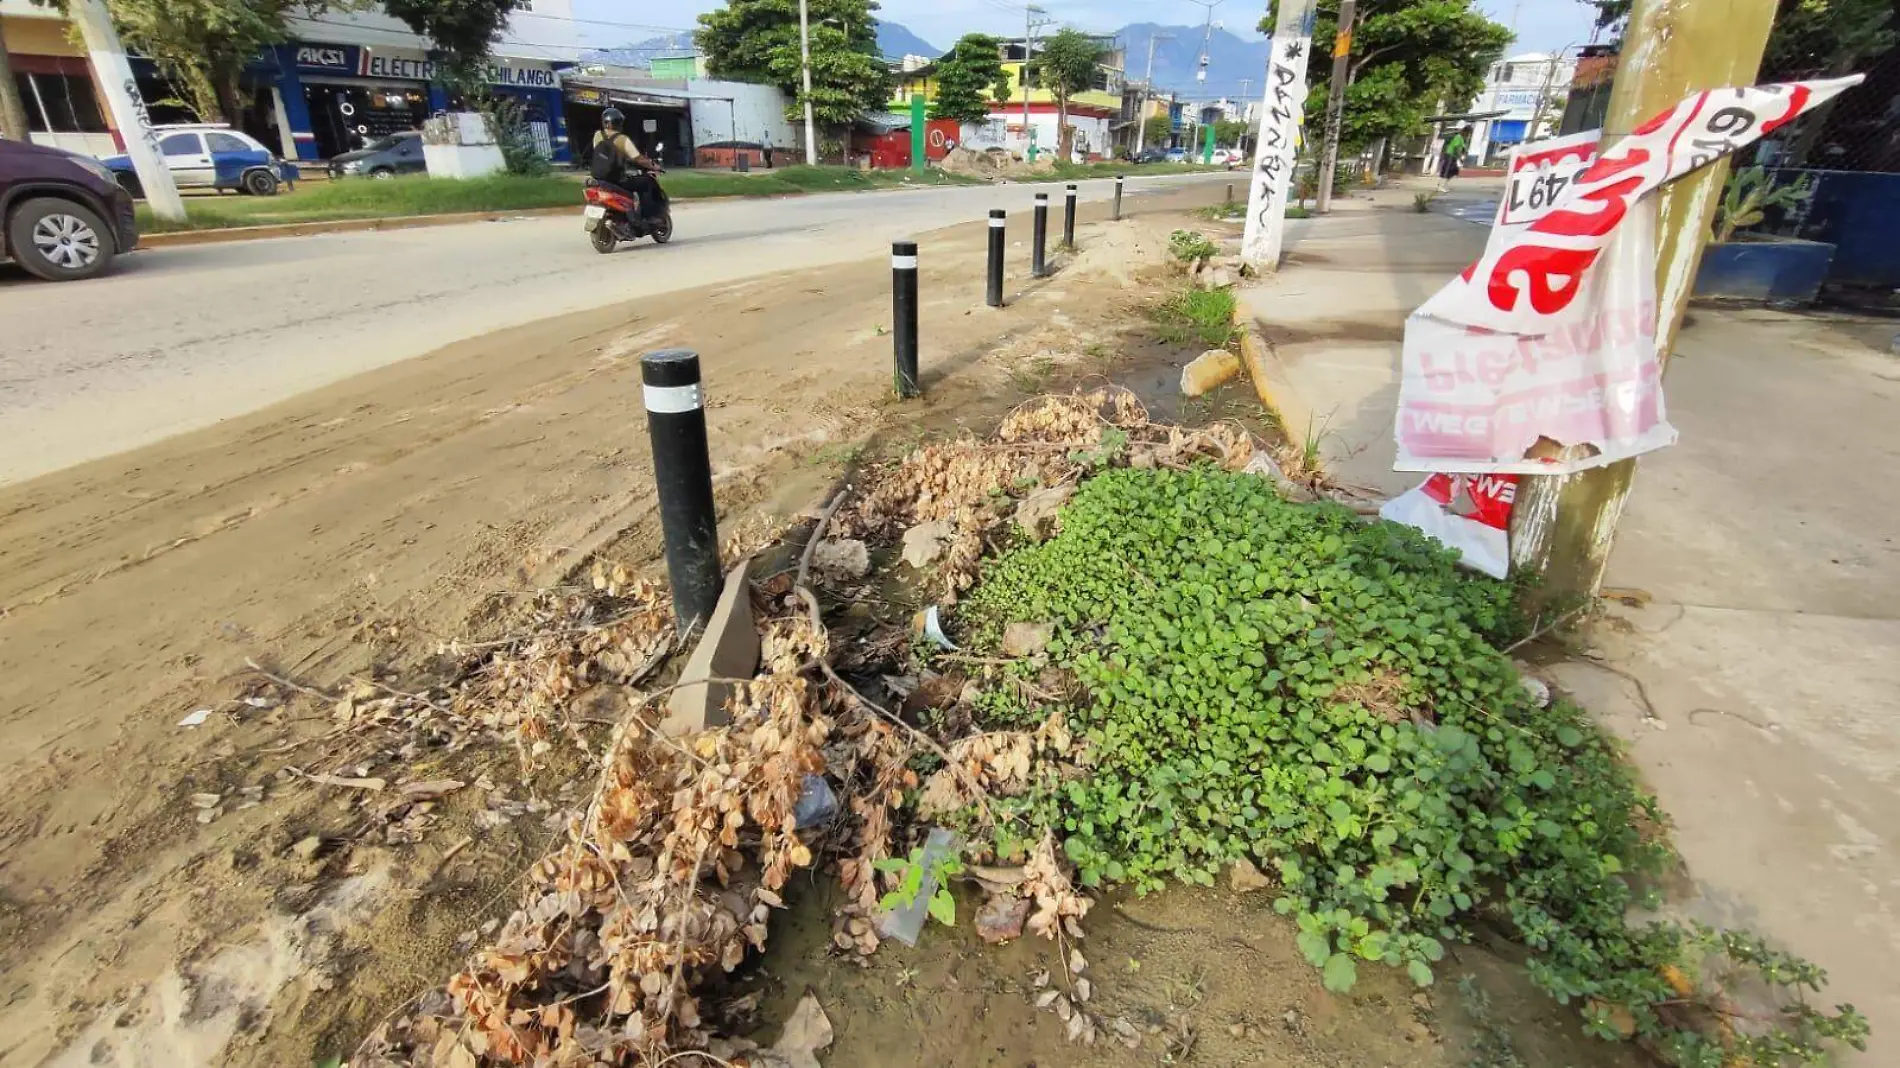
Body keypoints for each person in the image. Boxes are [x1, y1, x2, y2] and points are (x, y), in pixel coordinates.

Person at [592, 107, 662, 219]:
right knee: (647, 182)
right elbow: (638, 158)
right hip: (617, 180)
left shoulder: (597, 136)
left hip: (599, 178)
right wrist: (654, 166)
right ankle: (648, 216)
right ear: (619, 123)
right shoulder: (622, 139)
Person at [1438, 126, 1469, 192]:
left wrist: (1465, 151)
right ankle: (1440, 186)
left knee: (1453, 171)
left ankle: (1443, 185)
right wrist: (1459, 157)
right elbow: (1456, 148)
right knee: (1447, 171)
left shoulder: (1462, 138)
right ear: (1465, 132)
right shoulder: (1458, 137)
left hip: (1453, 156)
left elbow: (1463, 147)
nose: (1468, 135)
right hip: (1450, 155)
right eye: (1468, 133)